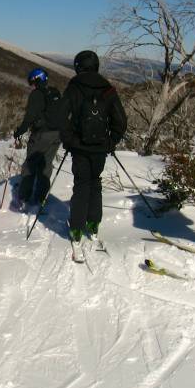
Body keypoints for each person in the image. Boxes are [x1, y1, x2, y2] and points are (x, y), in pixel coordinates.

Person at [58, 50, 127, 262]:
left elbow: (62, 117)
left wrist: (69, 141)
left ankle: (76, 230)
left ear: (79, 65)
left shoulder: (74, 87)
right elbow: (121, 121)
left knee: (81, 185)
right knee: (95, 184)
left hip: (80, 148)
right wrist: (110, 142)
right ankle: (93, 225)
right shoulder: (108, 89)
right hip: (99, 149)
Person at [11, 68, 62, 211]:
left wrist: (19, 131)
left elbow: (30, 116)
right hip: (57, 135)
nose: (31, 86)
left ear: (35, 80)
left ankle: (23, 197)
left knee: (30, 165)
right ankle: (41, 198)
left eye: (31, 83)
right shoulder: (55, 92)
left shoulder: (37, 95)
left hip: (41, 134)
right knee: (46, 165)